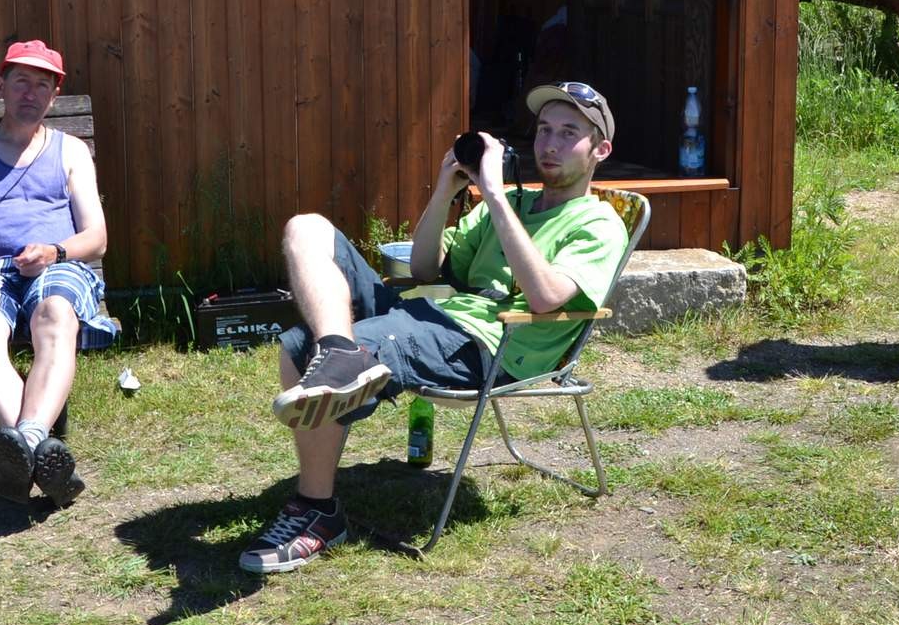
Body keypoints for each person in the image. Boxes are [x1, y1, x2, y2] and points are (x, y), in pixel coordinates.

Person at [239, 82, 632, 573]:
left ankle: (316, 511)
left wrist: (494, 193)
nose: (550, 144)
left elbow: (546, 297)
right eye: (544, 130)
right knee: (306, 228)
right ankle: (339, 351)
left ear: (600, 150)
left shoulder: (598, 224)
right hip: (432, 315)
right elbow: (424, 268)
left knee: (309, 346)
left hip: (488, 345)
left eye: (569, 133)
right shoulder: (510, 207)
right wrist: (446, 189)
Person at [0, 40, 111, 506]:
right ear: (1, 87)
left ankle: (23, 446)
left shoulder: (70, 151)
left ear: (54, 96)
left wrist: (54, 251)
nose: (31, 93)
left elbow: (96, 238)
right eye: (21, 82)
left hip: (55, 263)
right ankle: (39, 451)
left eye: (42, 85)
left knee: (56, 313)